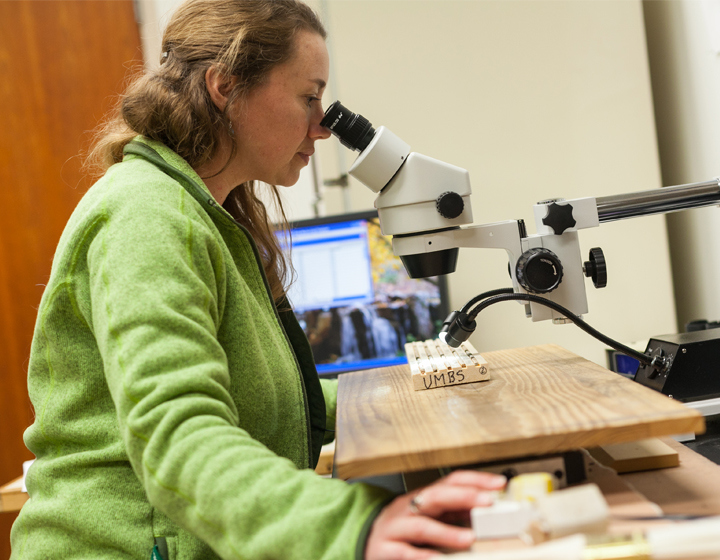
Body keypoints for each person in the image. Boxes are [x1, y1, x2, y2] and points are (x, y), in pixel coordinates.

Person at [10, 1, 506, 559]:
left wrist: (395, 392)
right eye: (309, 96)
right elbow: (176, 435)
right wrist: (354, 528)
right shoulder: (146, 215)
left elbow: (265, 398)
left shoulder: (208, 217)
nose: (323, 125)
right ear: (226, 87)